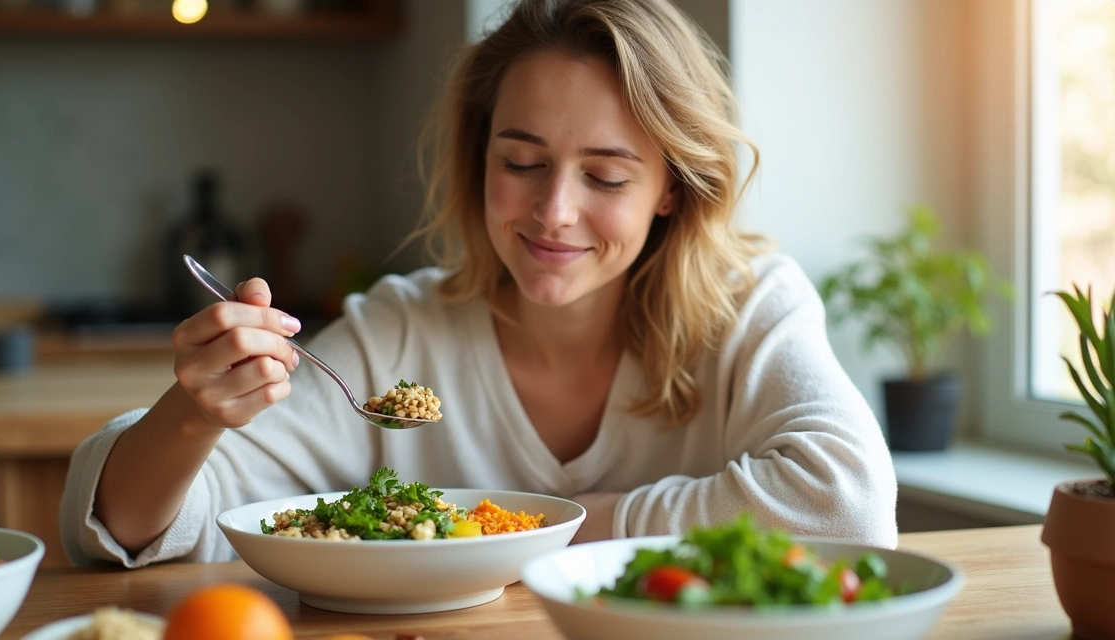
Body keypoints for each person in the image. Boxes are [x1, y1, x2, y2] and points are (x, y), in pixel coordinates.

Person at [60, 0, 897, 568]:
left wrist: (527, 530)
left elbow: (848, 509)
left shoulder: (748, 304)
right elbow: (120, 532)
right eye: (522, 162)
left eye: (605, 177)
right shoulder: (401, 336)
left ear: (671, 187)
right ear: (479, 156)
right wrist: (192, 415)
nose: (554, 212)